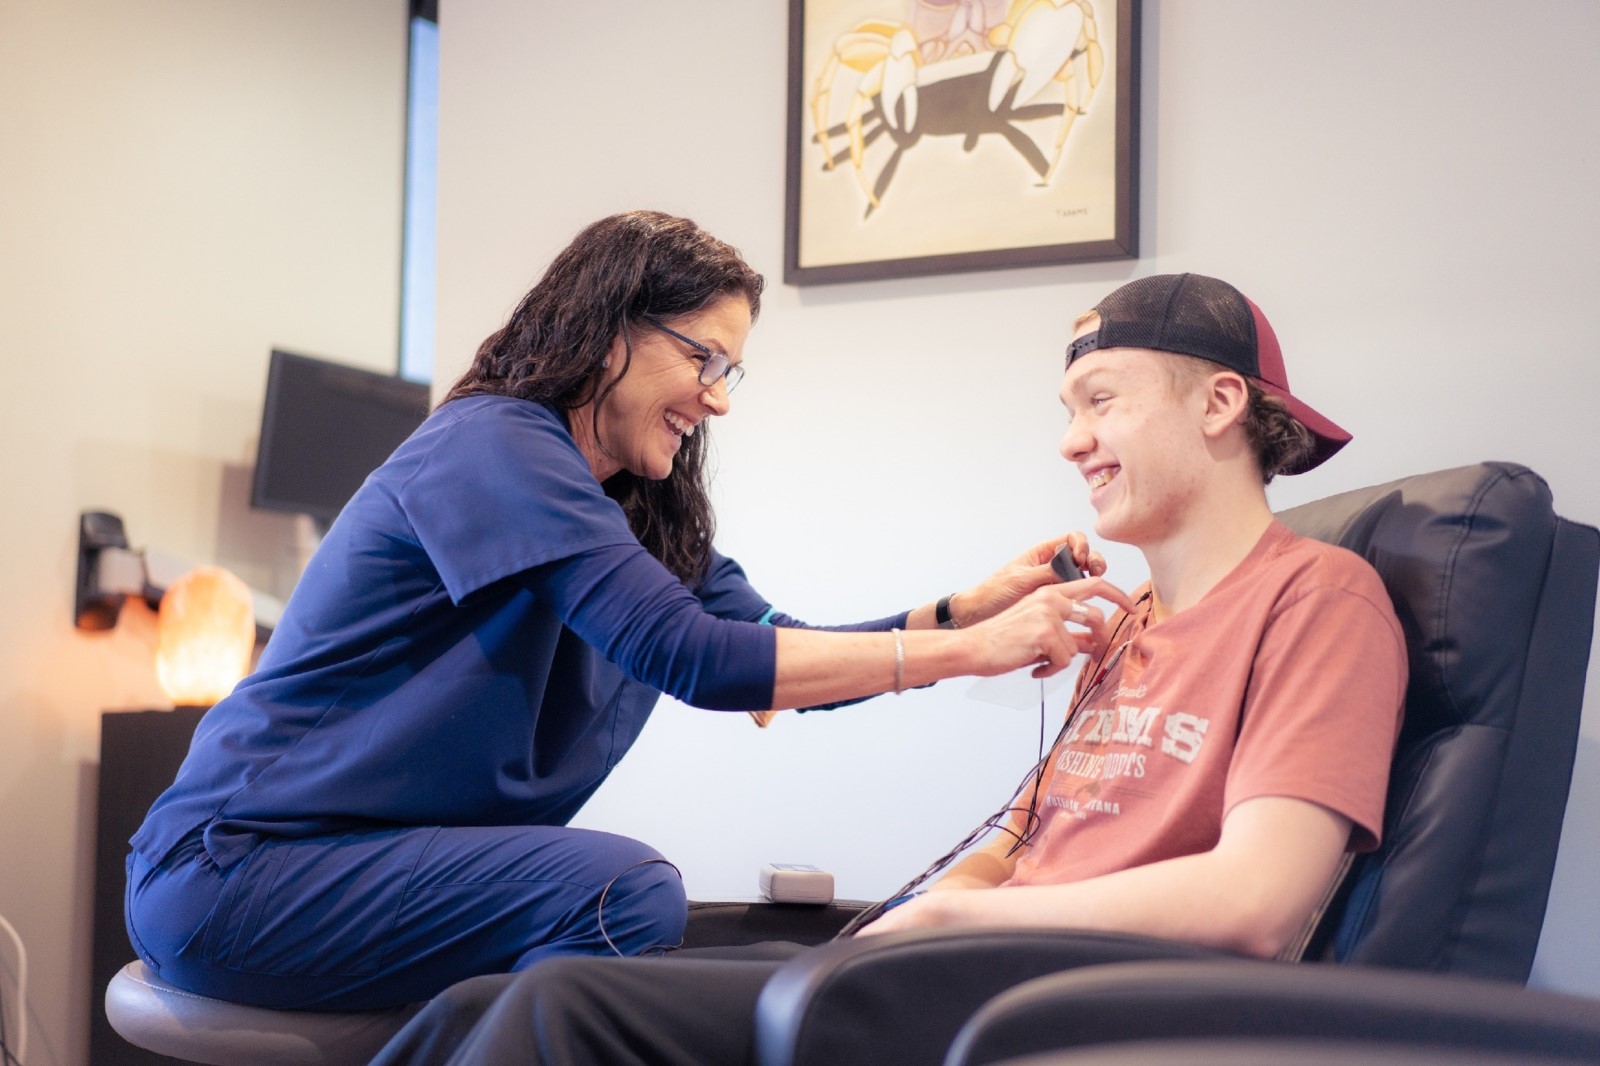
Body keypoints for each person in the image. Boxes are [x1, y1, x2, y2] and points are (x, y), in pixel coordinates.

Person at [367, 272, 1409, 1065]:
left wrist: (952, 923)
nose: (1071, 442)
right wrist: (894, 932)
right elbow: (1014, 839)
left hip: (1065, 1000)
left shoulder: (1319, 599)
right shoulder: (1128, 620)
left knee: (565, 1004)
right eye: (1067, 410)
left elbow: (1257, 901)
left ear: (1220, 403)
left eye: (1100, 401)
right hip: (966, 965)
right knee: (480, 1004)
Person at [123, 211, 1114, 1012]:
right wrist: (977, 652)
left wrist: (961, 611)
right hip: (239, 871)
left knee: (687, 933)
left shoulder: (630, 513)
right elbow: (699, 660)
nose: (718, 400)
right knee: (622, 895)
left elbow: (769, 659)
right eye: (704, 360)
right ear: (610, 333)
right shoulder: (492, 448)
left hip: (347, 868)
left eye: (730, 372)